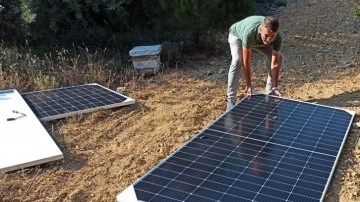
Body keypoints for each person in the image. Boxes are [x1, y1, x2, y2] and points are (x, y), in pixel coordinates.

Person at [226, 15, 284, 111]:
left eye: (272, 36)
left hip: (258, 41)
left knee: (280, 57)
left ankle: (270, 92)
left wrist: (275, 87)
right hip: (238, 36)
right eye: (267, 35)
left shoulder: (278, 37)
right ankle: (230, 99)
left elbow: (275, 62)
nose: (269, 39)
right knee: (237, 60)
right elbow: (246, 61)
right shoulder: (250, 33)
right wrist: (249, 85)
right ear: (261, 30)